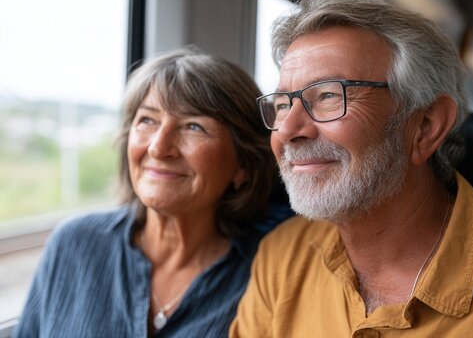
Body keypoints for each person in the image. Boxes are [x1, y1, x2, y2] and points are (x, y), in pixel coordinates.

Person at [230, 0, 473, 337]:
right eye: (283, 104)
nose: (286, 131)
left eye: (329, 95)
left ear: (425, 126)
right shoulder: (281, 258)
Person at [14, 47, 279, 337]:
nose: (157, 147)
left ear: (243, 164)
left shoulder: (269, 272)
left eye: (193, 126)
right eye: (147, 120)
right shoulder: (74, 243)